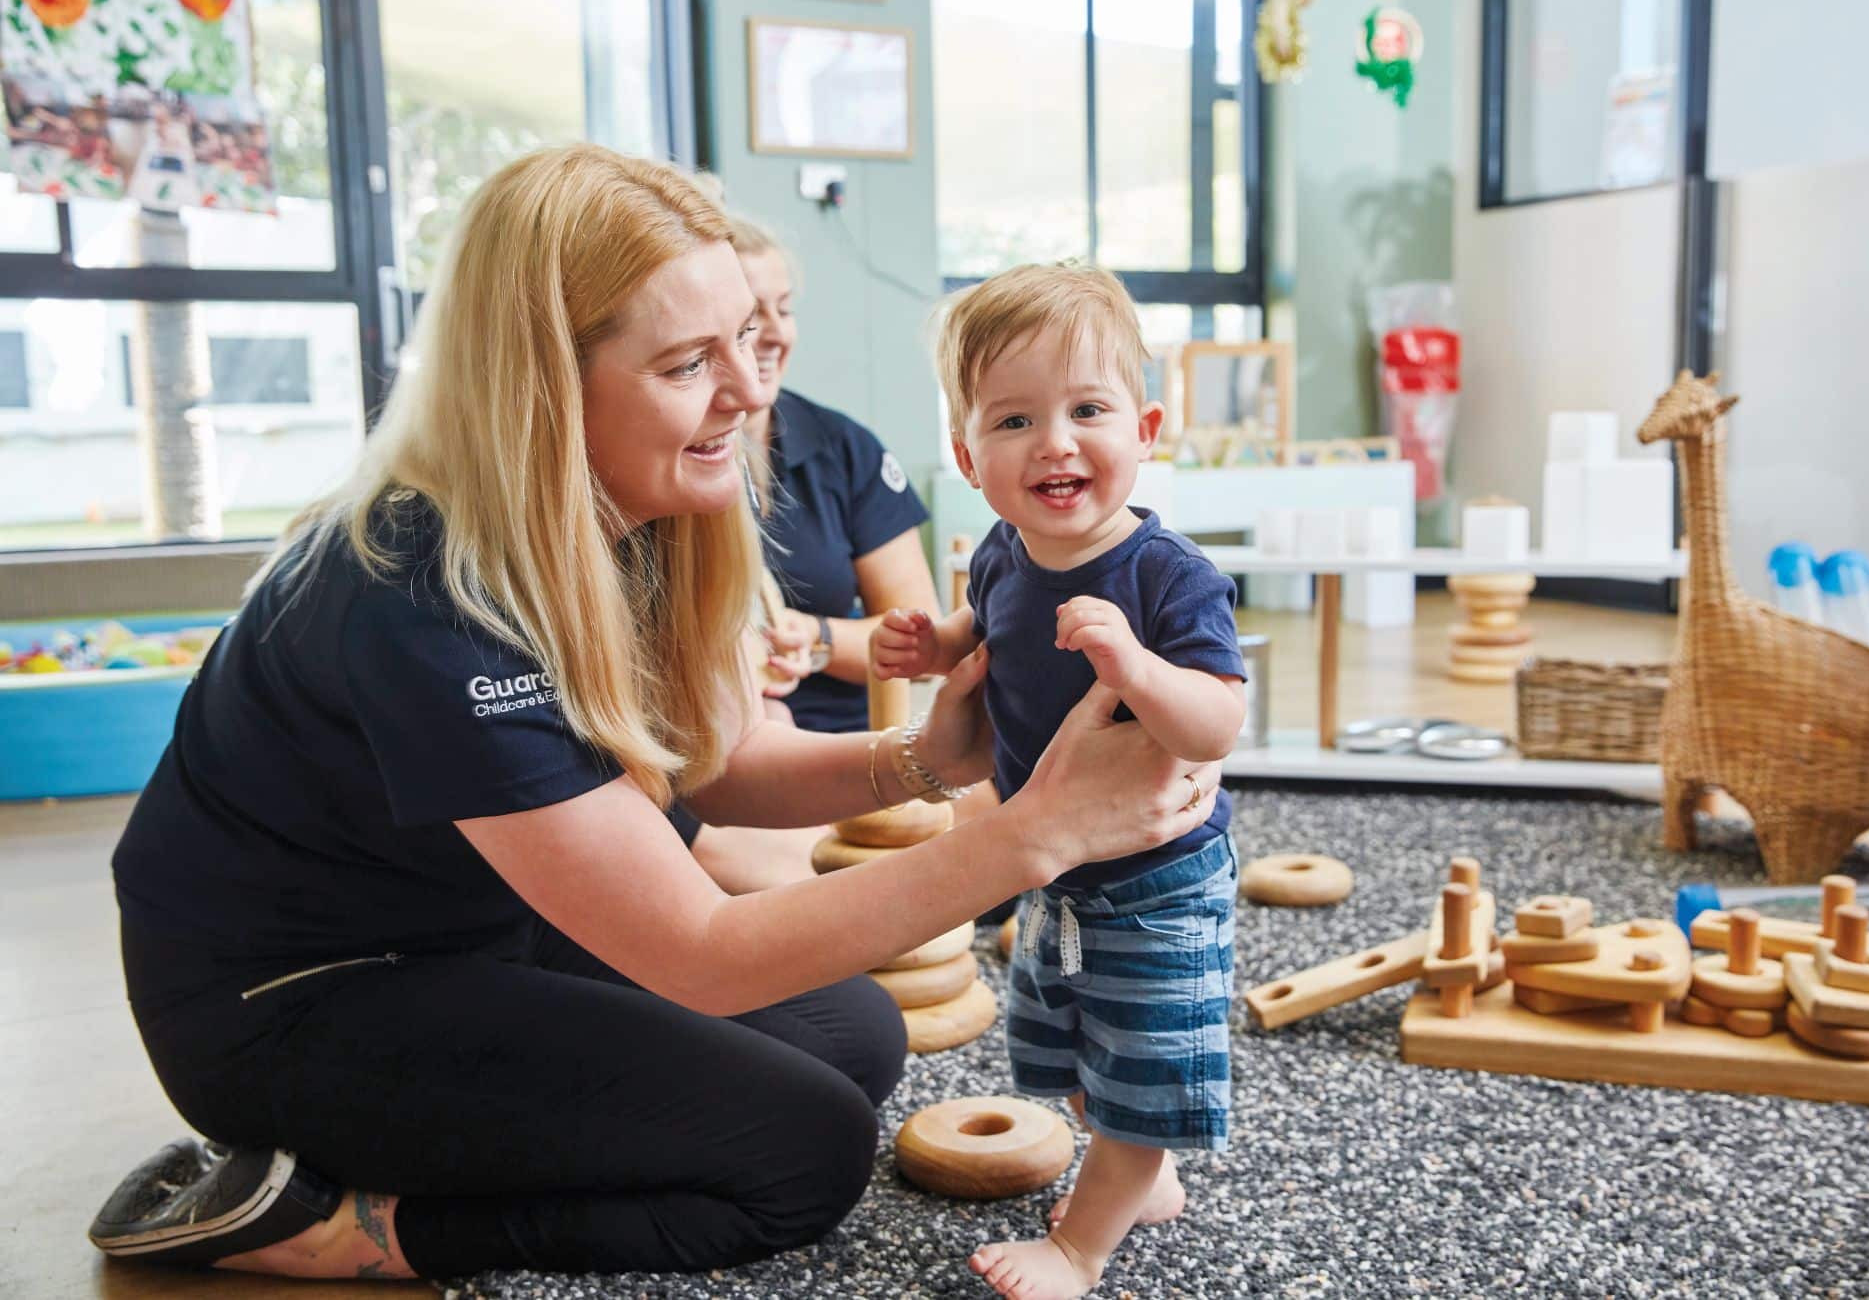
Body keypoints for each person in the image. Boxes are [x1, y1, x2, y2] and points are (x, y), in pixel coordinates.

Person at [86, 147, 1223, 1283]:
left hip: (464, 926)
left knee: (852, 1035)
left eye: (751, 338)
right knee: (799, 1153)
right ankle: (342, 1226)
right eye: (689, 362)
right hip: (287, 1000)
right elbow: (702, 954)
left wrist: (923, 758)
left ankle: (457, 1136)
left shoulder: (633, 507)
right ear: (542, 384)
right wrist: (1034, 833)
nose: (750, 390)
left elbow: (715, 768)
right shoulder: (423, 598)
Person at [871, 262, 1246, 1300]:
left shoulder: (1167, 576)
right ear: (965, 454)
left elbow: (1217, 717)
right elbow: (984, 628)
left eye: (1087, 409)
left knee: (1138, 1082)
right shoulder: (1002, 550)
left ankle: (1083, 1243)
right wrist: (932, 642)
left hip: (1156, 875)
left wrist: (1136, 666)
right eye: (1014, 419)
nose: (1055, 442)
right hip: (1055, 866)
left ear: (1146, 428)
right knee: (1070, 1056)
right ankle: (1141, 1172)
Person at [674, 214, 944, 893]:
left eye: (782, 310)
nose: (770, 334)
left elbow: (920, 635)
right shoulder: (665, 457)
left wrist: (816, 639)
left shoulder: (845, 448)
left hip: (846, 734)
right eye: (744, 318)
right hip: (724, 744)